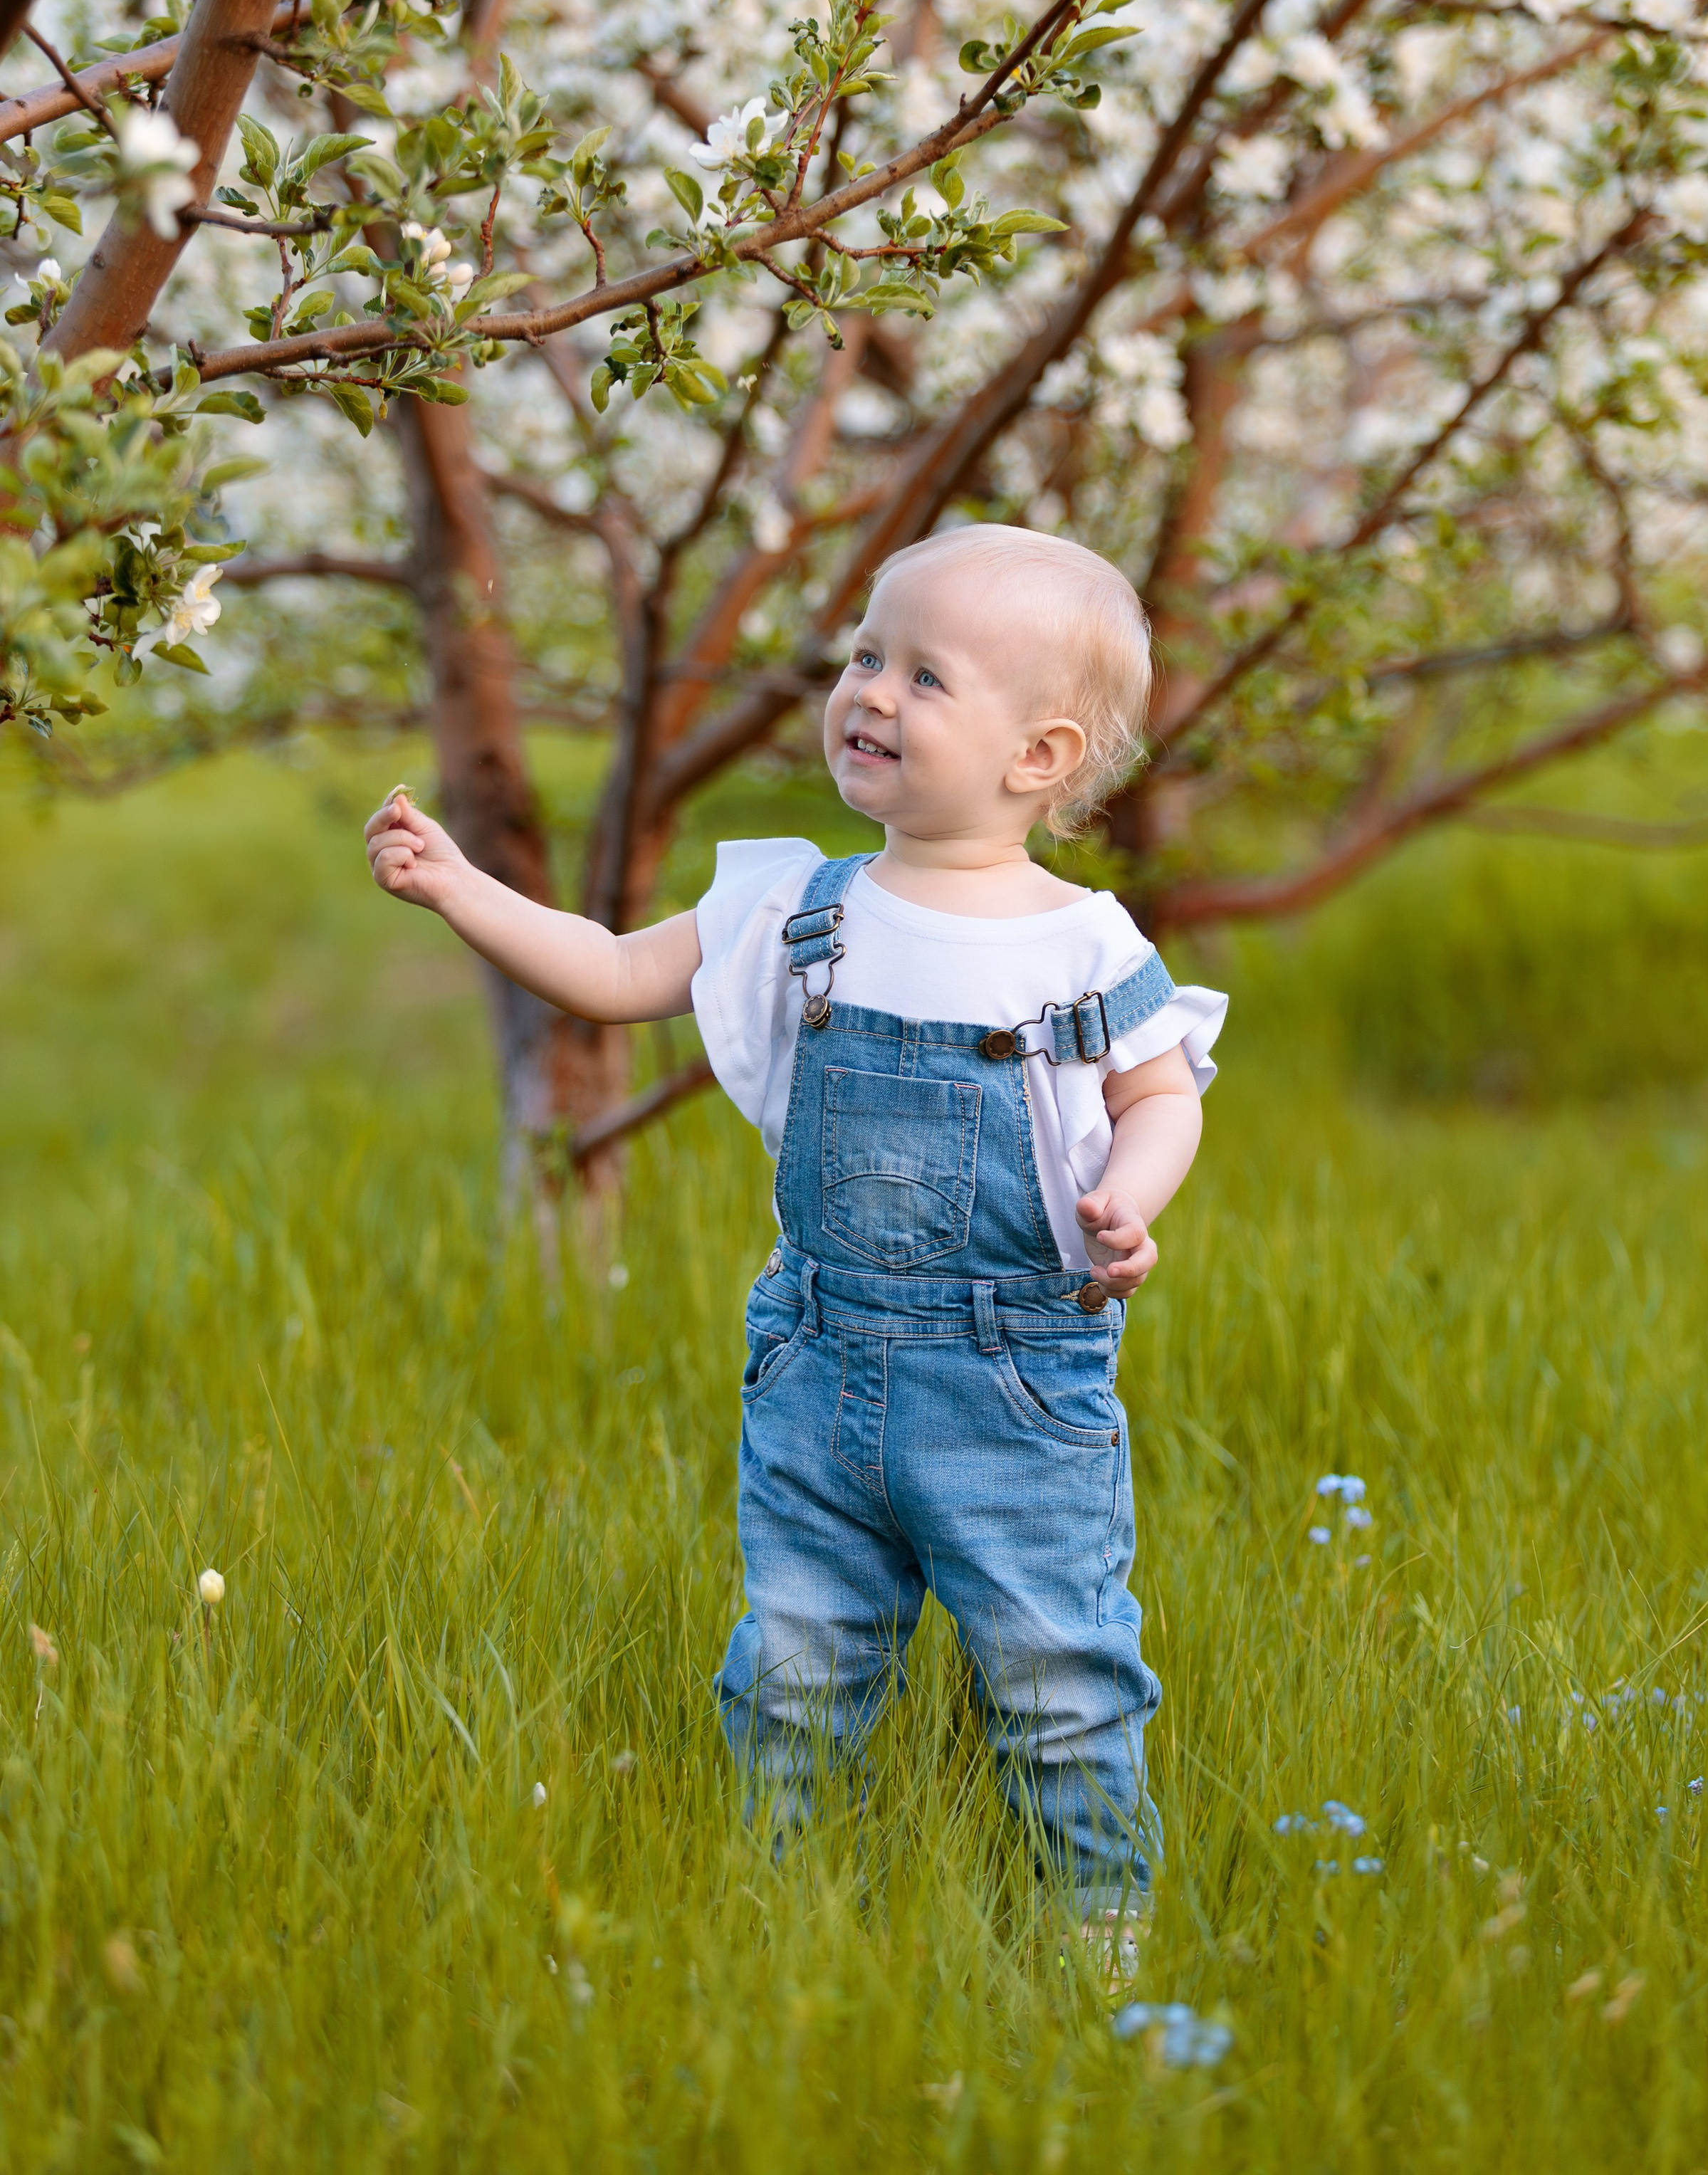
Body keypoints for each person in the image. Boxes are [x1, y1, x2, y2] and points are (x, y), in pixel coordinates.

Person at [365, 525, 1225, 1932]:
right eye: (864, 657)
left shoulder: (1085, 945)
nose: (870, 693)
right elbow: (604, 972)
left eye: (925, 677)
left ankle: (1095, 1949)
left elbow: (1159, 1093)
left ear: (1039, 757)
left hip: (1014, 1386)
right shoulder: (793, 908)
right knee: (793, 1671)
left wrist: (1128, 1197)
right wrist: (462, 887)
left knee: (1057, 1675)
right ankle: (785, 1931)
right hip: (819, 1368)